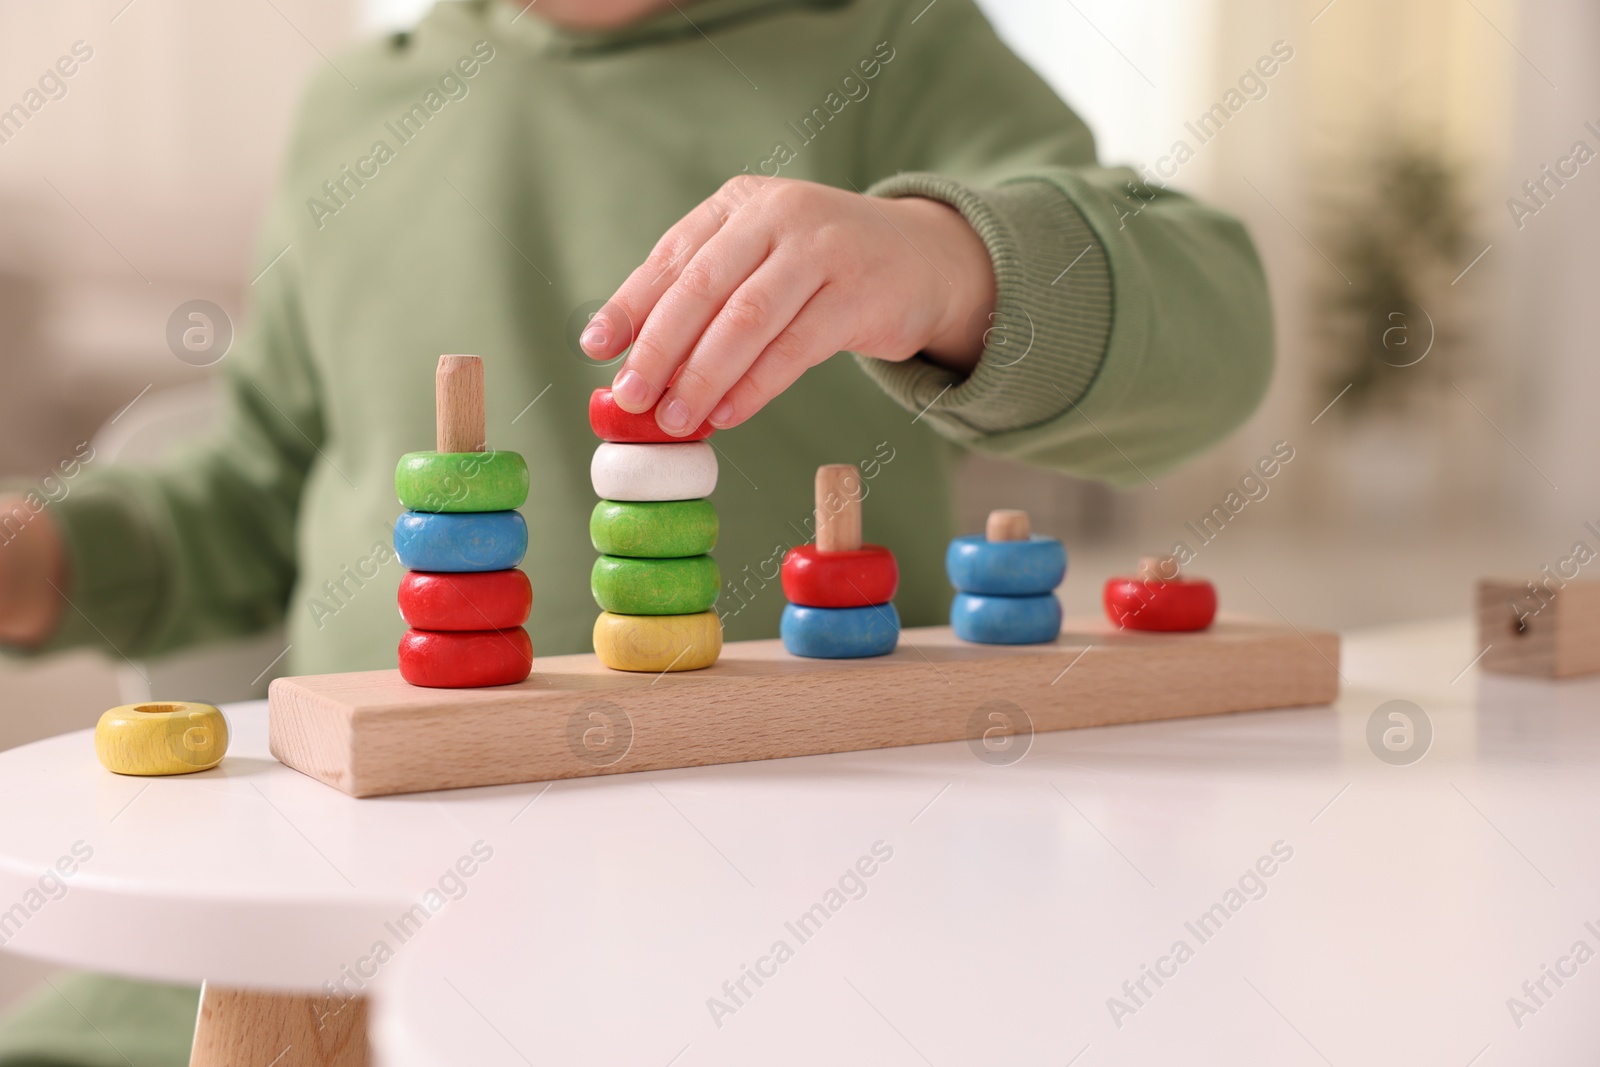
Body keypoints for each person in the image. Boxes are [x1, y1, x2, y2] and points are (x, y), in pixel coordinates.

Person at [0, 0, 1273, 1059]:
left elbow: (1214, 324)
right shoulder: (358, 109)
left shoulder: (891, 41)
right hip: (332, 906)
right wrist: (48, 560)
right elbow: (259, 480)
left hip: (773, 919)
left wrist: (942, 264)